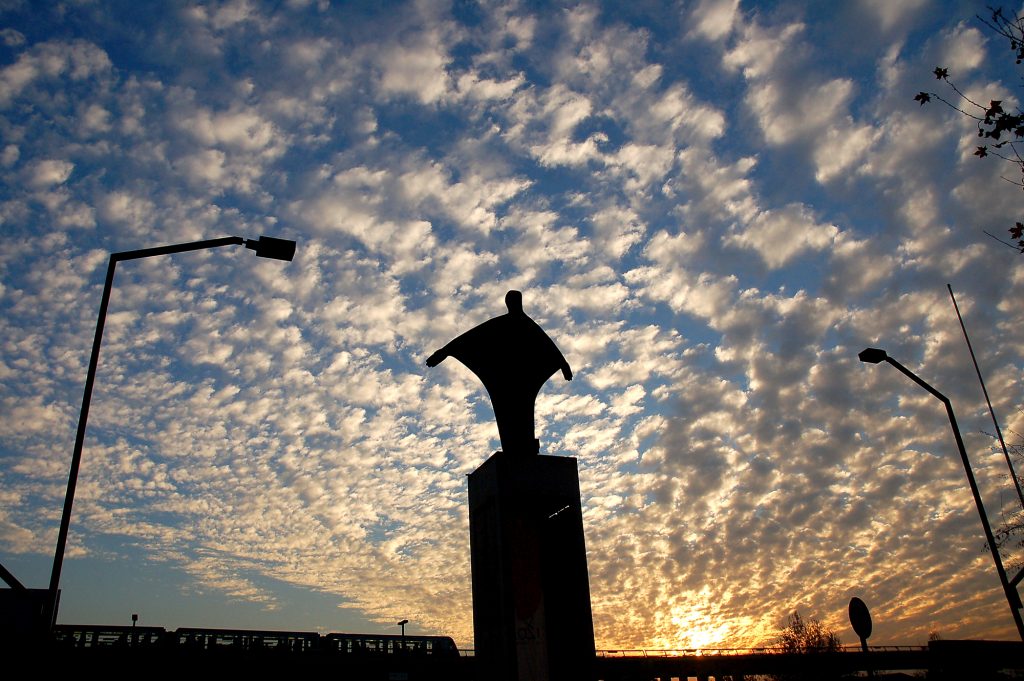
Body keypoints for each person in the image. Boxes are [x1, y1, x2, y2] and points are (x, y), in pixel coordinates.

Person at [426, 290, 572, 454]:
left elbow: (547, 345)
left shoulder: (527, 324)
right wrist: (444, 351)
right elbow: (471, 337)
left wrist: (563, 365)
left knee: (522, 414)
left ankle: (523, 447)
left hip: (523, 380)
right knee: (508, 416)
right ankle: (516, 447)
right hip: (502, 381)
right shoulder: (502, 323)